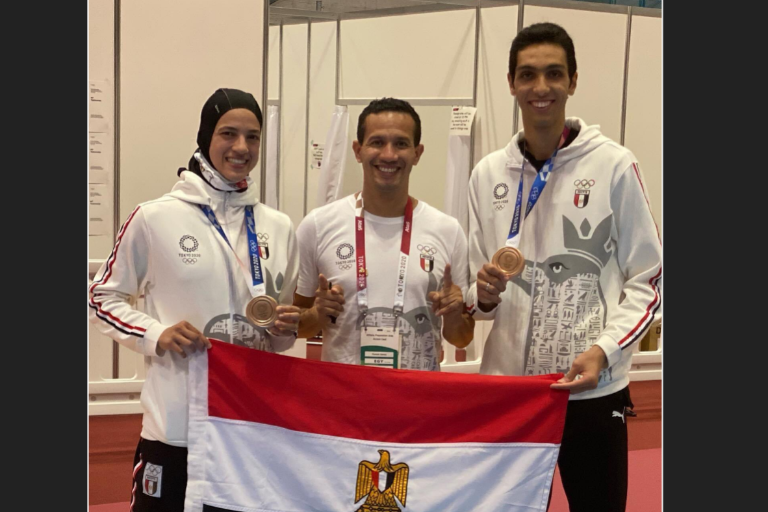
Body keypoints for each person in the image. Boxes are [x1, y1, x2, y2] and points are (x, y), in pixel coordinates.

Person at [466, 23, 662, 512]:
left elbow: (650, 278)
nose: (541, 88)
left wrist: (605, 349)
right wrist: (484, 294)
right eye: (527, 75)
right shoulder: (488, 173)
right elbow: (477, 298)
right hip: (510, 395)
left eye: (554, 74)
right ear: (510, 82)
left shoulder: (614, 165)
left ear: (573, 81)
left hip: (590, 391)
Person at [88, 88, 301, 511]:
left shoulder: (278, 226)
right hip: (176, 429)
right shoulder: (155, 217)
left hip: (248, 427)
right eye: (229, 133)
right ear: (206, 137)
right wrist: (155, 332)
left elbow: (278, 342)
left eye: (253, 137)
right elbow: (101, 297)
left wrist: (283, 327)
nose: (241, 148)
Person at [294, 98, 474, 370]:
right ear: (358, 150)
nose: (389, 155)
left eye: (401, 143)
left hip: (417, 402)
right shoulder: (318, 225)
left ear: (417, 153)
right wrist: (318, 314)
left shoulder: (448, 230)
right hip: (346, 401)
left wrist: (452, 315)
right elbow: (297, 326)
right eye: (377, 142)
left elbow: (461, 337)